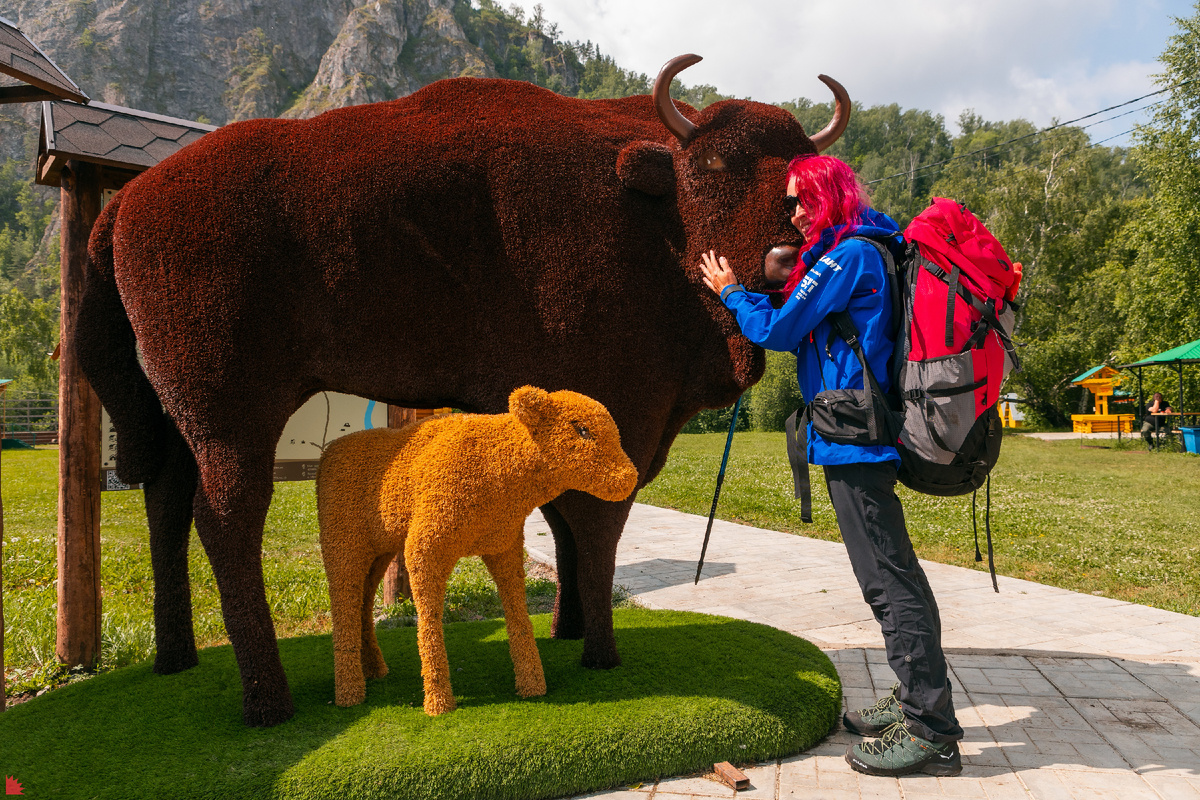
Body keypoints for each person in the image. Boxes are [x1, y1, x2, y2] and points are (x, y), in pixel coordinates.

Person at [699, 154, 963, 777]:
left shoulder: (849, 257)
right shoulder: (875, 244)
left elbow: (784, 330)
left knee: (887, 583)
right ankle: (916, 700)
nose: (792, 214)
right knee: (897, 574)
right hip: (864, 431)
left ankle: (931, 730)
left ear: (827, 195)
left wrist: (731, 291)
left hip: (855, 439)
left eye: (799, 200)